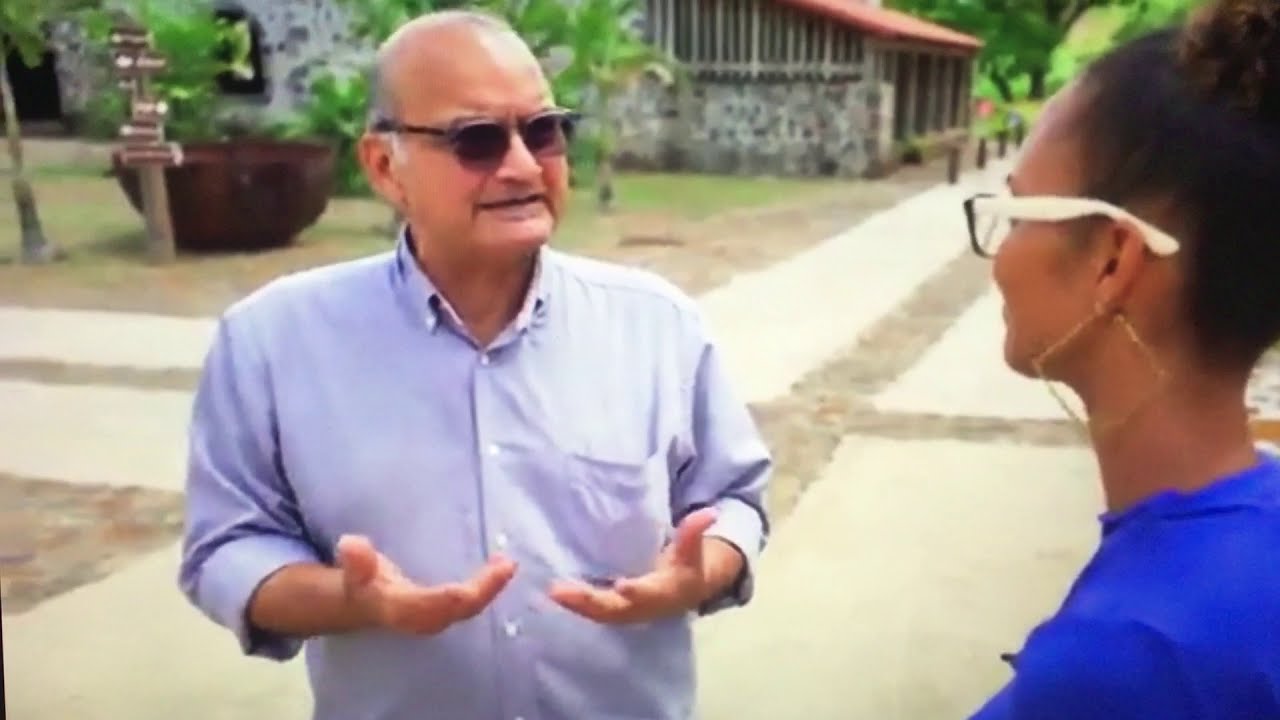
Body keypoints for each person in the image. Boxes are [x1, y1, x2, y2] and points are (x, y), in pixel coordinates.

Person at [177, 10, 771, 720]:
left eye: (543, 131)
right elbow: (229, 544)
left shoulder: (657, 324)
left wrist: (702, 570)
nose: (523, 166)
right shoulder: (272, 341)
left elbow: (734, 499)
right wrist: (348, 600)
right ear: (384, 167)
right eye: (478, 140)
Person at [961, 0, 1280, 717]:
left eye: (1018, 214)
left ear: (1113, 259)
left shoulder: (1130, 663)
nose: (999, 257)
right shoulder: (1263, 519)